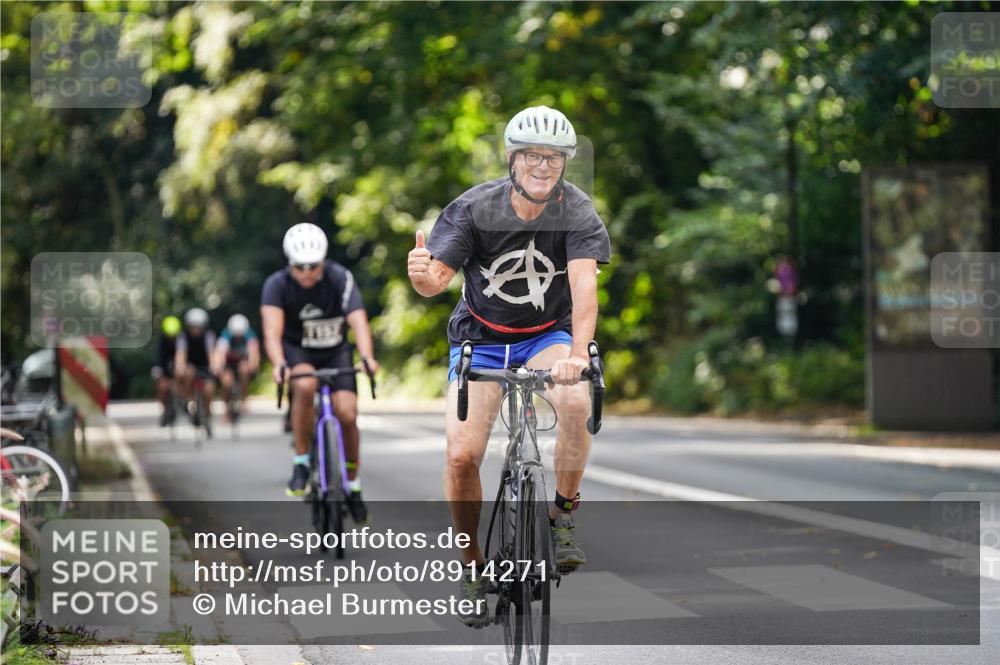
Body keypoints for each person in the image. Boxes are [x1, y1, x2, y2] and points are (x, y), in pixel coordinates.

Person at [407, 106, 611, 625]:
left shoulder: (577, 210)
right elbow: (436, 281)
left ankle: (562, 516)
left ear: (565, 162)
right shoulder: (474, 209)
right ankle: (472, 568)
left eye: (554, 158)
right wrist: (422, 276)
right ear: (512, 158)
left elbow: (584, 289)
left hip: (546, 335)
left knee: (575, 402)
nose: (543, 166)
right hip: (480, 338)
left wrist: (577, 355)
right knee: (461, 456)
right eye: (532, 156)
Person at [260, 223, 379, 523]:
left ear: (323, 262)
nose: (307, 273)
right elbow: (272, 333)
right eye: (299, 267)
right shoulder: (276, 285)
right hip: (299, 352)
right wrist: (278, 363)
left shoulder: (341, 278)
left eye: (313, 266)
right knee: (304, 386)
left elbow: (358, 321)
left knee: (347, 414)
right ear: (290, 263)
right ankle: (301, 462)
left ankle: (352, 484)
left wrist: (367, 357)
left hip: (336, 351)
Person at [211, 314, 261, 418]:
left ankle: (245, 399)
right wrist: (217, 365)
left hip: (243, 362)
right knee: (226, 382)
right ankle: (226, 408)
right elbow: (219, 352)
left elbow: (254, 352)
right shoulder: (225, 335)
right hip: (229, 364)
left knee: (244, 370)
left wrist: (253, 364)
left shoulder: (250, 335)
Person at [175, 308, 217, 425]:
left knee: (209, 390)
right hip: (190, 365)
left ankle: (207, 415)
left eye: (199, 327)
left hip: (205, 366)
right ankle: (188, 400)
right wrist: (180, 366)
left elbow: (211, 353)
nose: (196, 330)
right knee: (187, 373)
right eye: (193, 327)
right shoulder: (183, 336)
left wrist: (214, 365)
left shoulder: (208, 336)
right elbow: (181, 353)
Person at [152, 316, 182, 426]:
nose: (172, 337)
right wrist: (157, 369)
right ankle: (165, 409)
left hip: (178, 368)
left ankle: (184, 402)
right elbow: (158, 358)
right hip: (164, 368)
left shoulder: (183, 341)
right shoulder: (162, 342)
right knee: (163, 387)